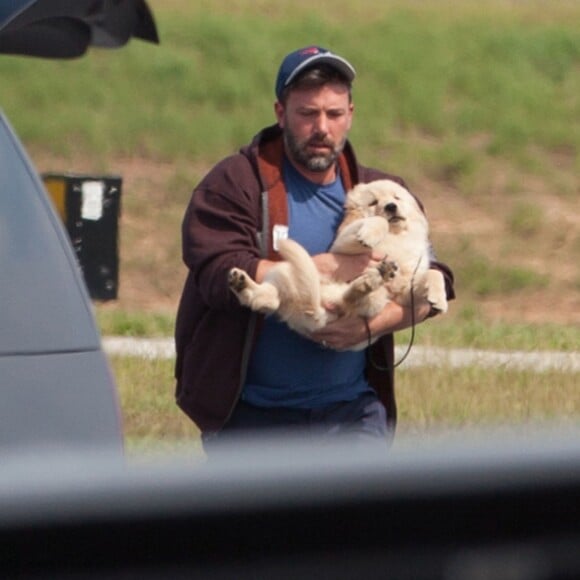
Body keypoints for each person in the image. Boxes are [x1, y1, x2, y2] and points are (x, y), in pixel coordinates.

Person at [174, 46, 455, 449]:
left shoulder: (381, 192)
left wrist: (369, 326)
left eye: (334, 114)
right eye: (307, 114)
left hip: (352, 413)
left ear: (351, 115)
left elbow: (434, 278)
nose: (322, 127)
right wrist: (323, 268)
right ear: (280, 112)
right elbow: (217, 268)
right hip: (252, 416)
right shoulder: (235, 183)